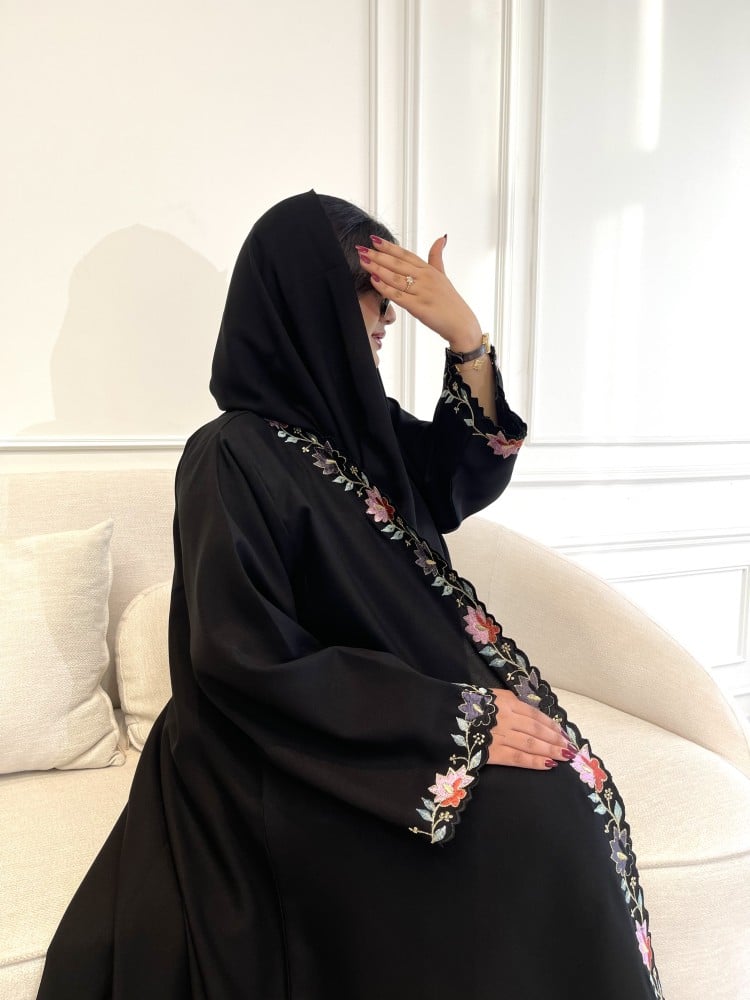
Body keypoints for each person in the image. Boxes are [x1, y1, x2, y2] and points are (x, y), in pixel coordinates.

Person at [37, 190, 665, 999]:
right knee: (533, 826)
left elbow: (456, 478)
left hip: (367, 720)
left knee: (559, 799)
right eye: (373, 295)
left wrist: (467, 340)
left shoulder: (359, 435)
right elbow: (240, 655)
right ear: (311, 304)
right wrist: (450, 720)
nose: (390, 316)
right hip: (280, 746)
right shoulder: (228, 454)